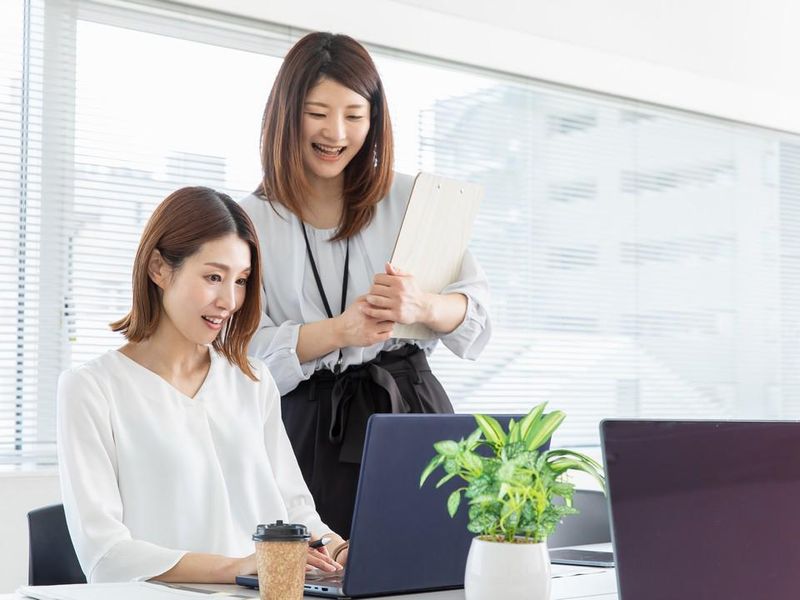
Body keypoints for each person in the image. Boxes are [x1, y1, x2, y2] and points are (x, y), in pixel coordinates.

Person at [241, 32, 492, 538]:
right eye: (317, 113)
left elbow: (479, 321)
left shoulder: (413, 197)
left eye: (355, 116)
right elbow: (244, 357)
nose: (336, 133)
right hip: (306, 424)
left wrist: (422, 305)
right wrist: (340, 331)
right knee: (312, 569)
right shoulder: (250, 219)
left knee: (432, 563)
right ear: (285, 114)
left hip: (410, 409)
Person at [57, 187, 346, 583]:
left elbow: (296, 513)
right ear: (158, 268)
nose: (230, 300)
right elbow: (106, 556)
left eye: (241, 280)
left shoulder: (253, 380)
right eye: (213, 277)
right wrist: (240, 568)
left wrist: (338, 550)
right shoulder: (91, 388)